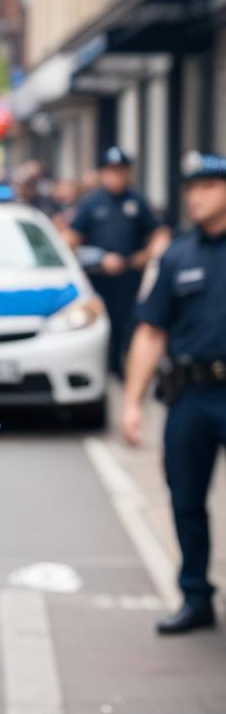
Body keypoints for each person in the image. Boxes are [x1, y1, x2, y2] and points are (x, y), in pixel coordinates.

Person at [121, 152, 226, 635]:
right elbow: (151, 332)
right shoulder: (178, 256)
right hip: (191, 396)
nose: (195, 196)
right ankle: (195, 596)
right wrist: (132, 402)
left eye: (207, 186)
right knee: (185, 498)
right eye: (191, 188)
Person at [65, 146, 169, 376]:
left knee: (127, 327)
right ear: (103, 173)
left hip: (128, 279)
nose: (116, 176)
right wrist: (98, 259)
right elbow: (71, 240)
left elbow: (159, 234)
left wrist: (146, 255)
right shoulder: (91, 203)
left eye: (121, 171)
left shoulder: (137, 201)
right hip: (97, 279)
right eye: (111, 171)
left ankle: (122, 368)